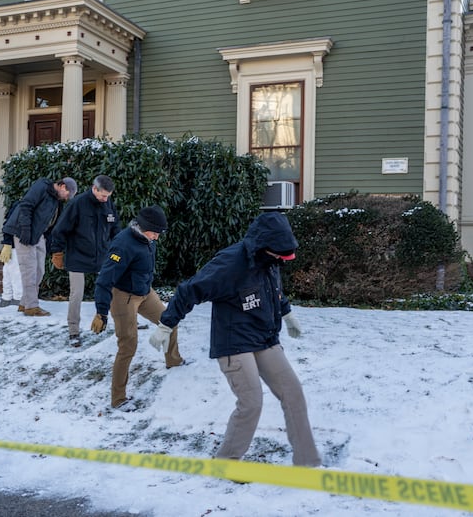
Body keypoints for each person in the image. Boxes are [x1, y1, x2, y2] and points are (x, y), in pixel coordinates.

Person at [149, 212, 322, 467]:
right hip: (234, 342)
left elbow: (273, 290)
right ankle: (225, 463)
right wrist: (167, 324)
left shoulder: (271, 259)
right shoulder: (230, 264)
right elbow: (190, 290)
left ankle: (308, 462)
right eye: (278, 255)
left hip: (264, 337)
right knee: (251, 403)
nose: (281, 260)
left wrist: (287, 313)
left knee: (293, 392)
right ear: (265, 246)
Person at [91, 205, 186, 411]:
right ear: (143, 228)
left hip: (145, 292)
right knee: (128, 345)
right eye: (155, 232)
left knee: (170, 319)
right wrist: (101, 311)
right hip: (123, 297)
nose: (157, 237)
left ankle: (173, 360)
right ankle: (118, 399)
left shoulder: (148, 238)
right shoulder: (123, 245)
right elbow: (104, 279)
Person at [49, 175, 121, 347]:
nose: (106, 199)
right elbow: (60, 229)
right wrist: (57, 251)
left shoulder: (108, 204)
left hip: (102, 256)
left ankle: (122, 322)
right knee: (76, 294)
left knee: (112, 288)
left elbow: (115, 227)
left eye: (108, 196)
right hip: (78, 256)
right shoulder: (77, 204)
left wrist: (119, 248)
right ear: (94, 189)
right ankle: (73, 331)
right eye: (103, 195)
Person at [2, 177, 77, 316]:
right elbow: (26, 205)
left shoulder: (56, 200)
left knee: (39, 271)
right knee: (29, 270)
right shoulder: (42, 186)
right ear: (61, 185)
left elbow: (52, 224)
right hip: (24, 233)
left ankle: (24, 303)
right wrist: (25, 230)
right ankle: (31, 307)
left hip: (38, 236)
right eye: (68, 193)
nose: (67, 198)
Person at [0, 200, 23, 307]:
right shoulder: (21, 209)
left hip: (9, 246)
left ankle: (7, 297)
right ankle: (18, 298)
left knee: (7, 272)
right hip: (15, 246)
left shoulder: (14, 210)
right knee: (15, 273)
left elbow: (7, 226)